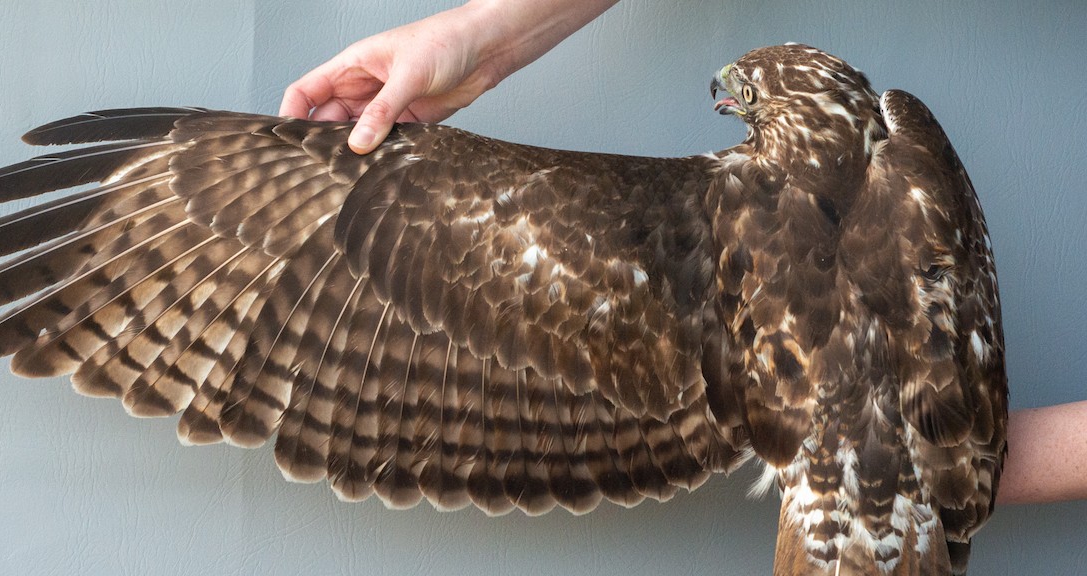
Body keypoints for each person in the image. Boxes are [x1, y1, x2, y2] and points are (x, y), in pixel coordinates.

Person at [280, 0, 1087, 505]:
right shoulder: (901, 154)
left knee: (394, 186)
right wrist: (481, 39)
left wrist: (931, 468)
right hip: (909, 467)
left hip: (905, 471)